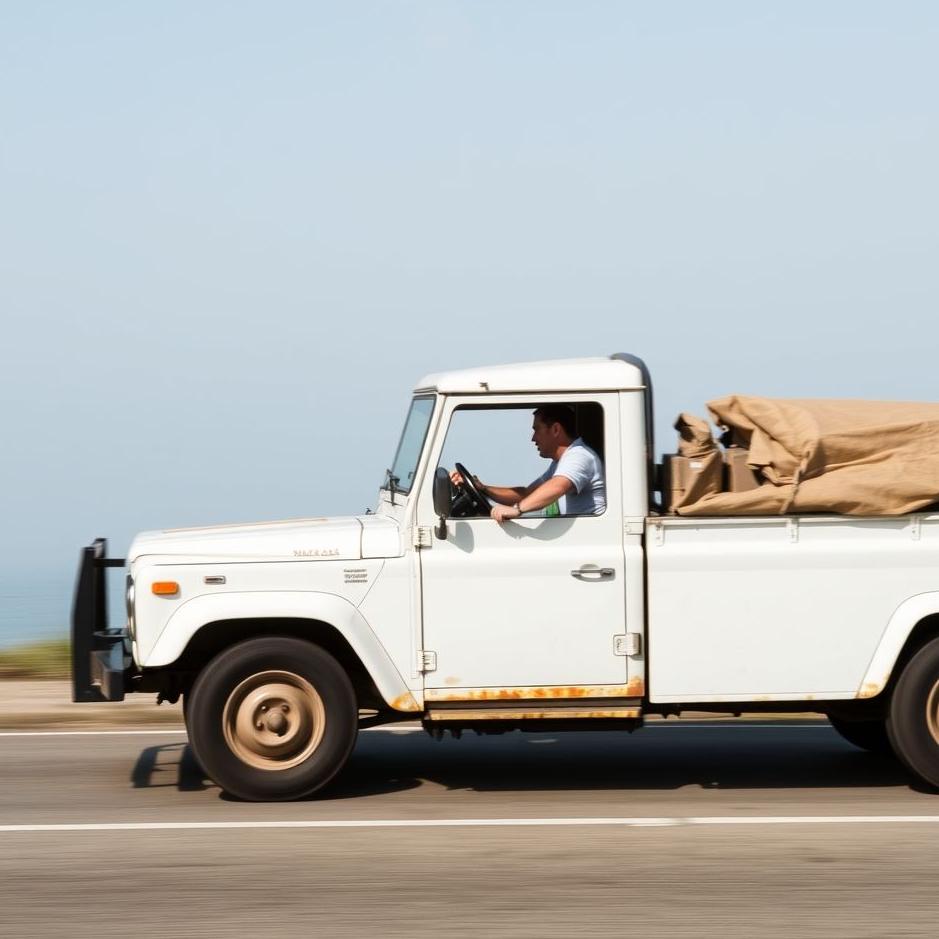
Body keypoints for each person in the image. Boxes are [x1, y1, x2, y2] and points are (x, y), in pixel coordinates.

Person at [450, 405, 606, 524]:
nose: (533, 438)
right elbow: (526, 494)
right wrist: (483, 489)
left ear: (556, 429)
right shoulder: (561, 462)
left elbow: (558, 486)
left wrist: (517, 510)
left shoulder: (579, 455)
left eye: (537, 430)